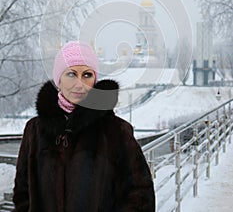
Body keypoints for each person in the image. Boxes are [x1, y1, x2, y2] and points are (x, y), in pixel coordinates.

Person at [13, 41, 156, 212]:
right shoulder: (35, 131)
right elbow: (23, 194)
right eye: (71, 74)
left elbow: (140, 196)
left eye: (87, 75)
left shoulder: (116, 131)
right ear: (59, 79)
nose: (80, 84)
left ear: (95, 80)